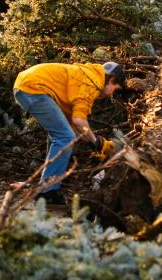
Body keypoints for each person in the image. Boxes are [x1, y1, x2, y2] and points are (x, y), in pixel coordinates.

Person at [13, 61, 125, 205]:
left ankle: (52, 181)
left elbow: (75, 127)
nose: (112, 93)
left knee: (61, 134)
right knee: (64, 136)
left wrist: (95, 143)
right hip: (33, 88)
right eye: (115, 88)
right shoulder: (92, 82)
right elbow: (79, 121)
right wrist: (96, 141)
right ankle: (48, 191)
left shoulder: (87, 75)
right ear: (111, 80)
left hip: (27, 85)